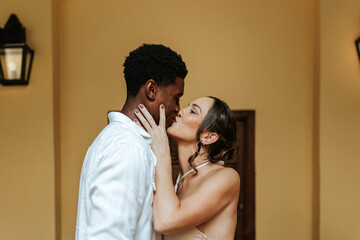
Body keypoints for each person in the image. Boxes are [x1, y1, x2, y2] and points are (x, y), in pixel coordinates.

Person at [75, 44, 187, 240]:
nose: (178, 109)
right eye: (176, 98)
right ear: (152, 89)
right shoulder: (127, 148)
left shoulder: (125, 141)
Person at [134, 96, 240, 240]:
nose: (180, 111)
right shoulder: (179, 182)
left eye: (193, 111)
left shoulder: (227, 177)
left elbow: (165, 222)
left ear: (208, 137)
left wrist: (162, 152)